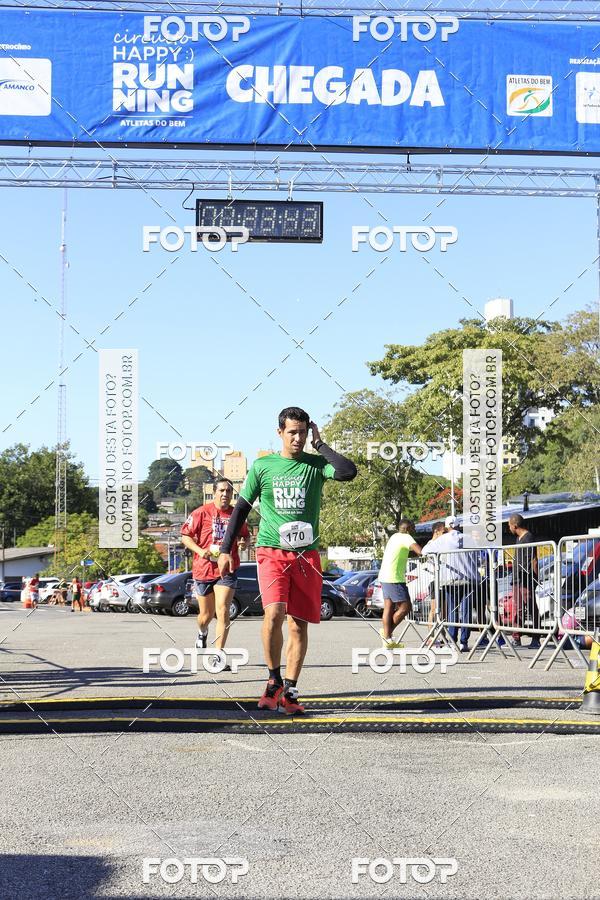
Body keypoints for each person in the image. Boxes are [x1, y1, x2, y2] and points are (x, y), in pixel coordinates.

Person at [218, 407, 357, 714]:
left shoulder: (317, 465)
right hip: (271, 551)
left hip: (306, 556)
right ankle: (273, 680)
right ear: (280, 432)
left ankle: (290, 691)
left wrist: (321, 445)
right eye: (292, 432)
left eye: (303, 432)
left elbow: (348, 472)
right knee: (274, 613)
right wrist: (225, 549)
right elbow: (241, 509)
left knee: (298, 626)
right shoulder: (263, 466)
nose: (298, 438)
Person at [181, 477, 250, 671]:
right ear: (214, 492)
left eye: (229, 491)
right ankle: (202, 633)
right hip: (203, 568)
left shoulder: (236, 514)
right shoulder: (201, 513)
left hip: (226, 569)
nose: (225, 494)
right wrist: (201, 551)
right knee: (206, 615)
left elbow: (245, 534)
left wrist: (244, 543)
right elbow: (185, 536)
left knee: (222, 610)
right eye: (222, 491)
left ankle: (218, 656)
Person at [424, 516, 483, 652]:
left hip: (450, 580)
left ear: (446, 527)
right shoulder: (469, 539)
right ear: (459, 525)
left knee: (452, 610)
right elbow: (480, 559)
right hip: (469, 580)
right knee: (466, 611)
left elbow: (424, 551)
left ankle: (452, 640)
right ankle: (464, 642)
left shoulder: (442, 540)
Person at [378, 520, 423, 649]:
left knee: (389, 607)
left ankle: (387, 639)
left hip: (384, 576)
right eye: (413, 527)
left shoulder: (394, 536)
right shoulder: (406, 537)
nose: (415, 529)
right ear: (408, 528)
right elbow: (419, 551)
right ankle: (387, 636)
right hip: (394, 578)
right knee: (405, 607)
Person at [508, 514, 540, 649]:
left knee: (531, 607)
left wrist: (535, 577)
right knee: (517, 608)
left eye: (509, 525)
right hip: (516, 578)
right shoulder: (518, 538)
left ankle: (536, 637)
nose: (508, 528)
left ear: (515, 525)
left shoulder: (529, 537)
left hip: (526, 578)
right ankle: (516, 637)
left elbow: (534, 559)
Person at [421, 522, 446, 645]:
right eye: (443, 532)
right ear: (436, 531)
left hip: (444, 580)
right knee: (434, 609)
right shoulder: (431, 544)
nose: (445, 534)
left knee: (444, 610)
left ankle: (444, 637)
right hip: (434, 580)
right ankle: (431, 636)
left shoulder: (442, 544)